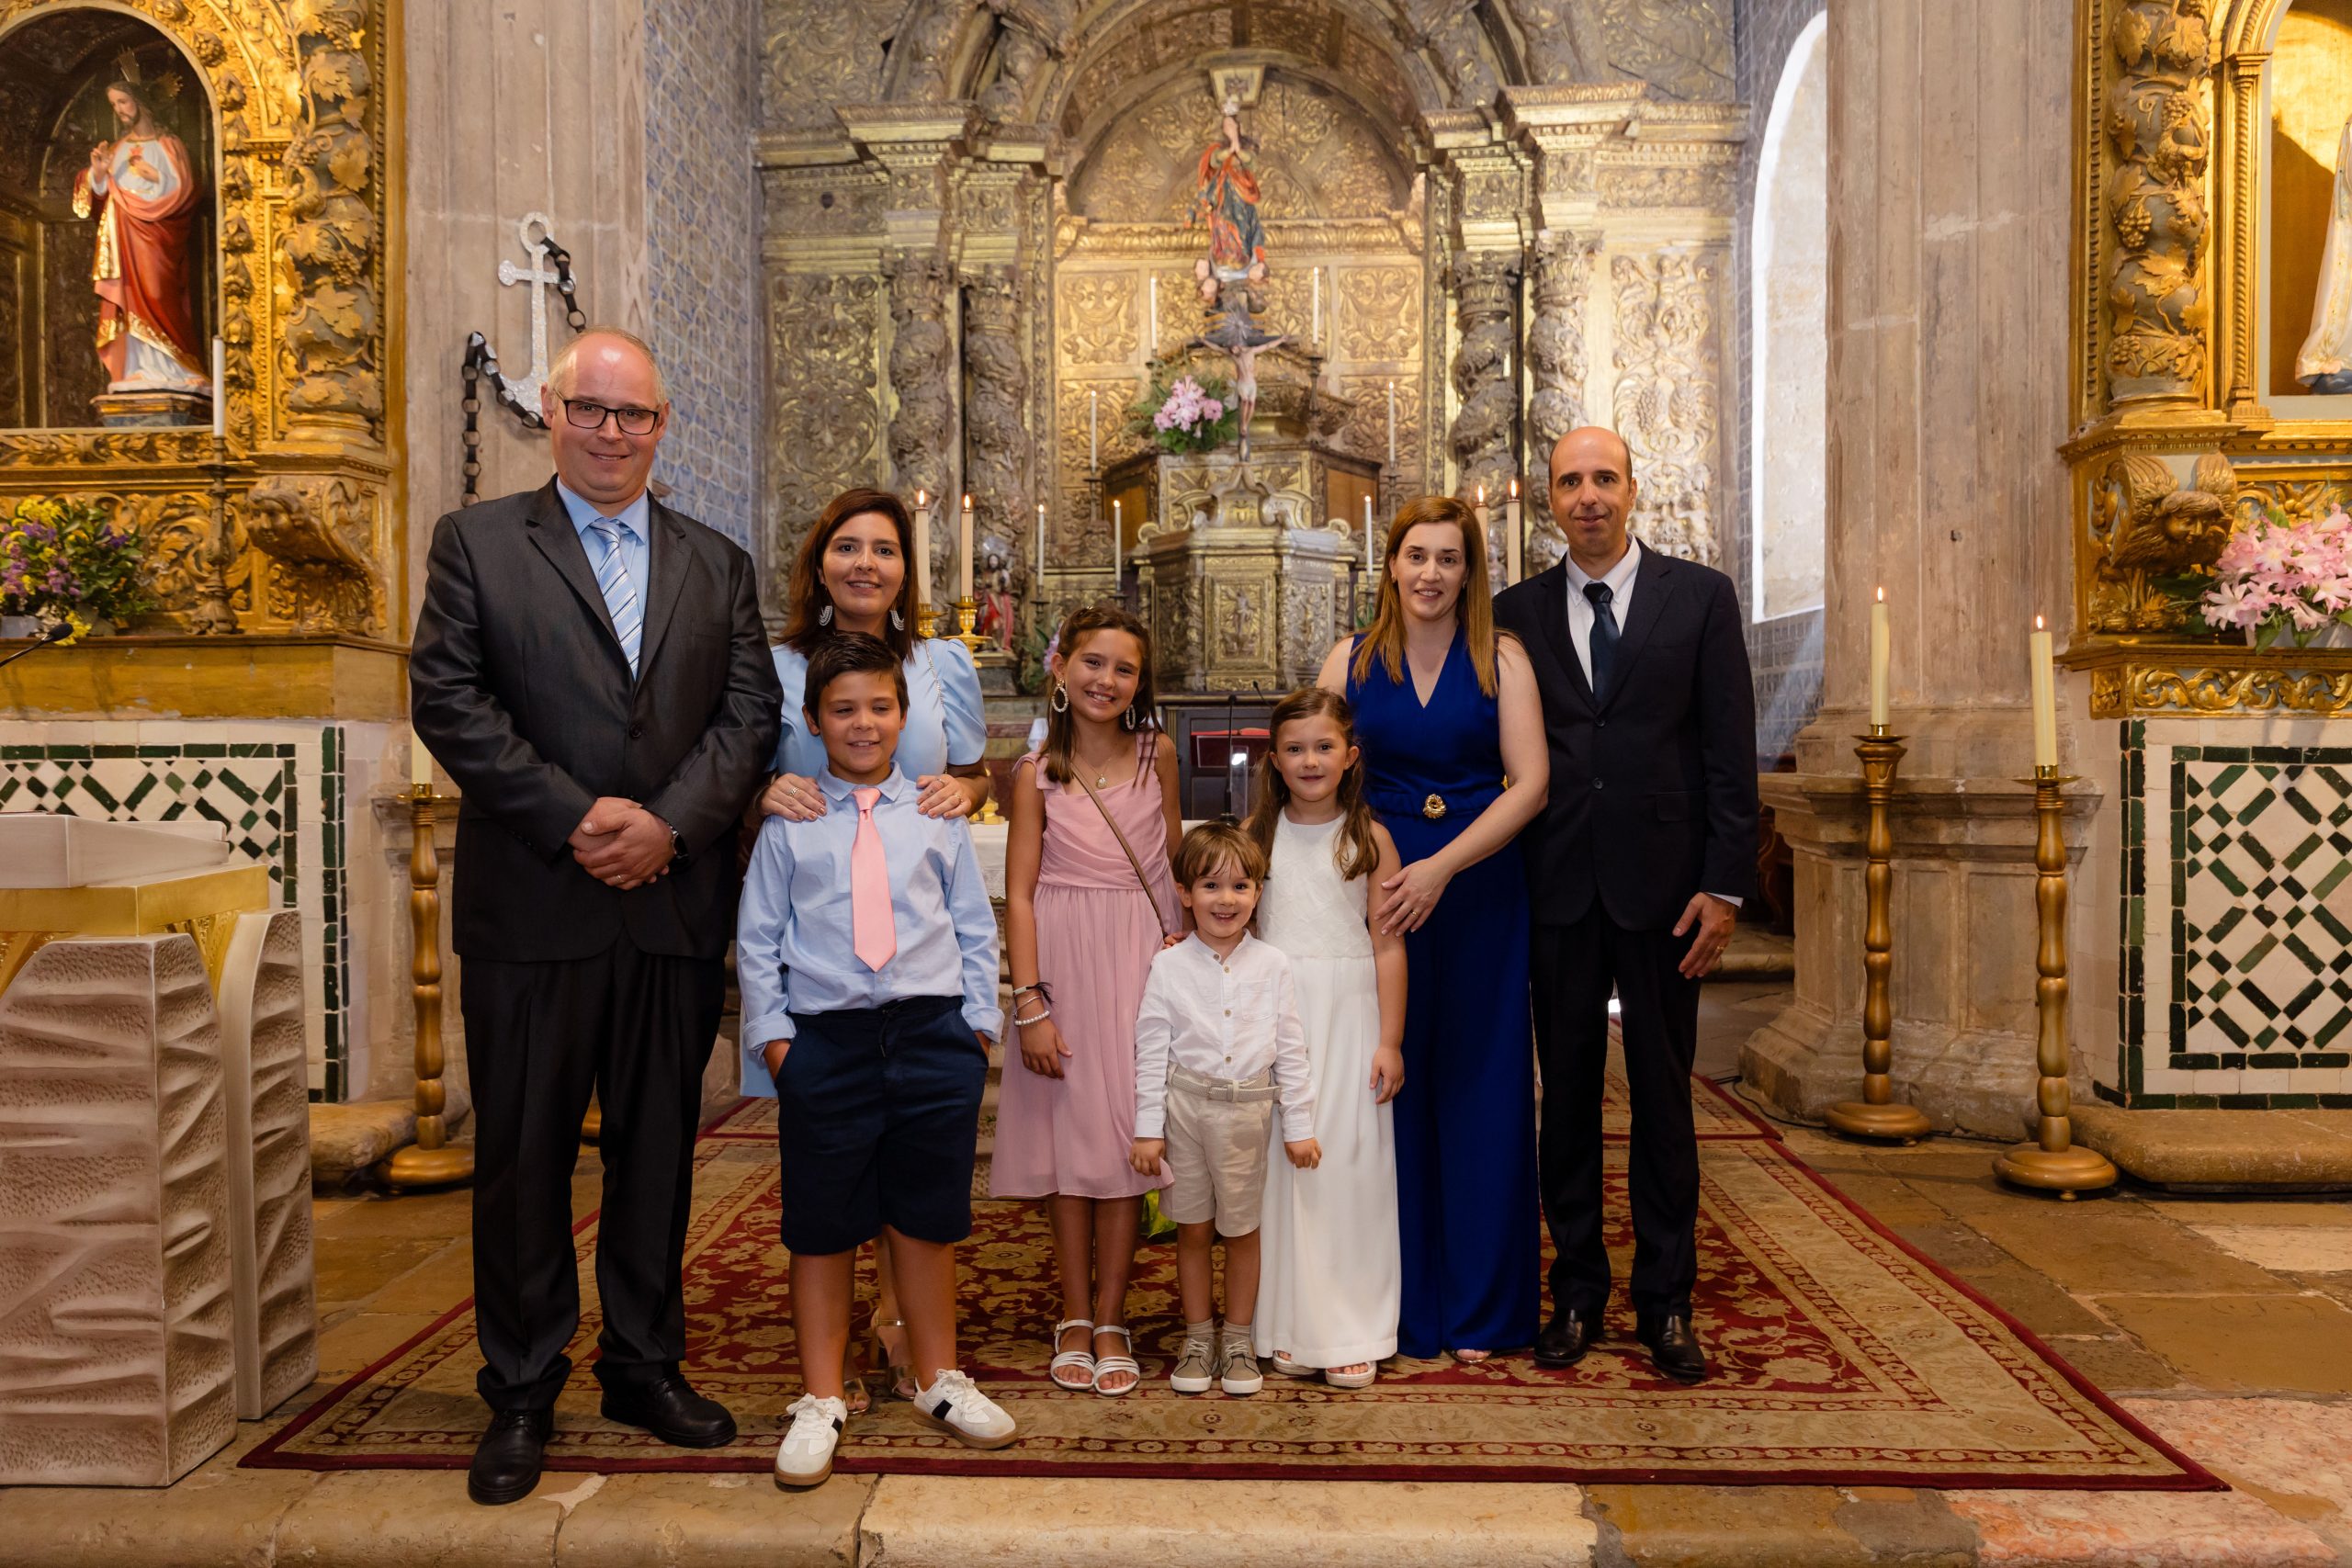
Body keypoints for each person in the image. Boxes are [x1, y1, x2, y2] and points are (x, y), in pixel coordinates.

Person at [410, 327, 783, 1506]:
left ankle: (642, 1364)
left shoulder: (718, 564)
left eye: (633, 415)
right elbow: (449, 700)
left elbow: (749, 716)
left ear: (661, 426)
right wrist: (578, 819)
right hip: (534, 904)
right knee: (522, 1156)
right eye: (590, 410)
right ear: (551, 413)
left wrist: (668, 826)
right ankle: (521, 1388)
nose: (612, 433)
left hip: (670, 905)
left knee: (657, 1149)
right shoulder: (477, 543)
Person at [1492, 426, 1759, 1385]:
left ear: (1633, 490)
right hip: (1556, 887)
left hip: (1667, 892)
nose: (1589, 496)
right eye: (1571, 482)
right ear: (1550, 501)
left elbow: (1729, 750)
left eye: (1604, 478)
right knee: (1563, 1099)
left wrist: (1724, 885)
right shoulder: (1513, 613)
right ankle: (1575, 1291)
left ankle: (1665, 1299)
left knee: (1662, 1098)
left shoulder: (1701, 598)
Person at [737, 634, 1014, 1485]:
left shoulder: (935, 814)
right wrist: (778, 1044)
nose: (863, 723)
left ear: (903, 716)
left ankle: (937, 1377)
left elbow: (973, 926)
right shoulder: (791, 823)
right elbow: (758, 940)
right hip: (827, 1041)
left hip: (932, 1035)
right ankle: (821, 1395)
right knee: (821, 1225)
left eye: (880, 707)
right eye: (844, 709)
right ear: (814, 720)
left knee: (927, 1217)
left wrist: (977, 1028)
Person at [755, 485, 989, 1404]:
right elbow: (742, 765)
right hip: (819, 932)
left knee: (915, 1163)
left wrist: (966, 793)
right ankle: (831, 1353)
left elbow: (970, 772)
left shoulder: (940, 661)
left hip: (914, 912)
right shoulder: (775, 666)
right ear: (820, 564)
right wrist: (761, 794)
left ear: (906, 568)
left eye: (884, 549)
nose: (865, 564)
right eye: (847, 547)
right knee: (832, 1164)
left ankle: (900, 1319)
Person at [1317, 494, 1549, 1363]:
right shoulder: (1349, 659)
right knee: (1390, 1084)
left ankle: (1485, 1309)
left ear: (1469, 570)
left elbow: (1532, 783)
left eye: (1449, 558)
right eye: (1417, 555)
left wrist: (1442, 866)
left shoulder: (1503, 657)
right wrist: (1379, 862)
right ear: (1391, 564)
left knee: (1485, 1086)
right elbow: (1315, 766)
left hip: (1478, 879)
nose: (1431, 573)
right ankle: (1401, 1305)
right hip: (1377, 883)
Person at [992, 604, 1181, 1398]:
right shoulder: (1036, 772)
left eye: (1124, 668)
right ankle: (1074, 1311)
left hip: (1140, 961)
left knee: (1126, 1139)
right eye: (1093, 663)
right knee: (1070, 1147)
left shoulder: (1158, 754)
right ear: (1062, 668)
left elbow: (1171, 864)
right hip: (1064, 962)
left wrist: (1185, 967)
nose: (1107, 679)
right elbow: (1020, 892)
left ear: (1141, 682)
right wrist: (1030, 1003)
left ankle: (1112, 1316)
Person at [1244, 689, 1408, 1389]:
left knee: (1348, 1165)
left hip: (1350, 1014)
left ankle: (1351, 1324)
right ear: (1274, 760)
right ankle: (1287, 1321)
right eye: (1294, 748)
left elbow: (1388, 944)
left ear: (1350, 756)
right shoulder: (1257, 836)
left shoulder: (1371, 839)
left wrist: (1390, 1040)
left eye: (1323, 746)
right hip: (1278, 1012)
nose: (1309, 760)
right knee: (1282, 1172)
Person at [1129, 821, 1320, 1396]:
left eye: (1240, 886)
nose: (1226, 899)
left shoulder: (1273, 964)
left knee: (1241, 1231)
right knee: (1192, 1230)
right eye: (1211, 886)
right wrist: (1148, 1129)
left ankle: (1237, 1340)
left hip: (1247, 1115)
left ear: (1258, 893)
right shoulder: (1168, 966)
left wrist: (1300, 1126)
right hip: (1185, 1109)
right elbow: (1151, 1050)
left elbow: (1291, 1049)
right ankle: (1197, 1337)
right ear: (1185, 893)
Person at [73, 72, 209, 393]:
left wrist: (157, 177)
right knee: (129, 298)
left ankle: (176, 367)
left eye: (123, 101)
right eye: (113, 105)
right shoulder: (117, 149)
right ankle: (135, 368)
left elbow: (187, 191)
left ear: (140, 102)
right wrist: (98, 173)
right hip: (125, 239)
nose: (119, 110)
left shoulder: (169, 145)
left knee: (159, 294)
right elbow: (97, 199)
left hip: (159, 239)